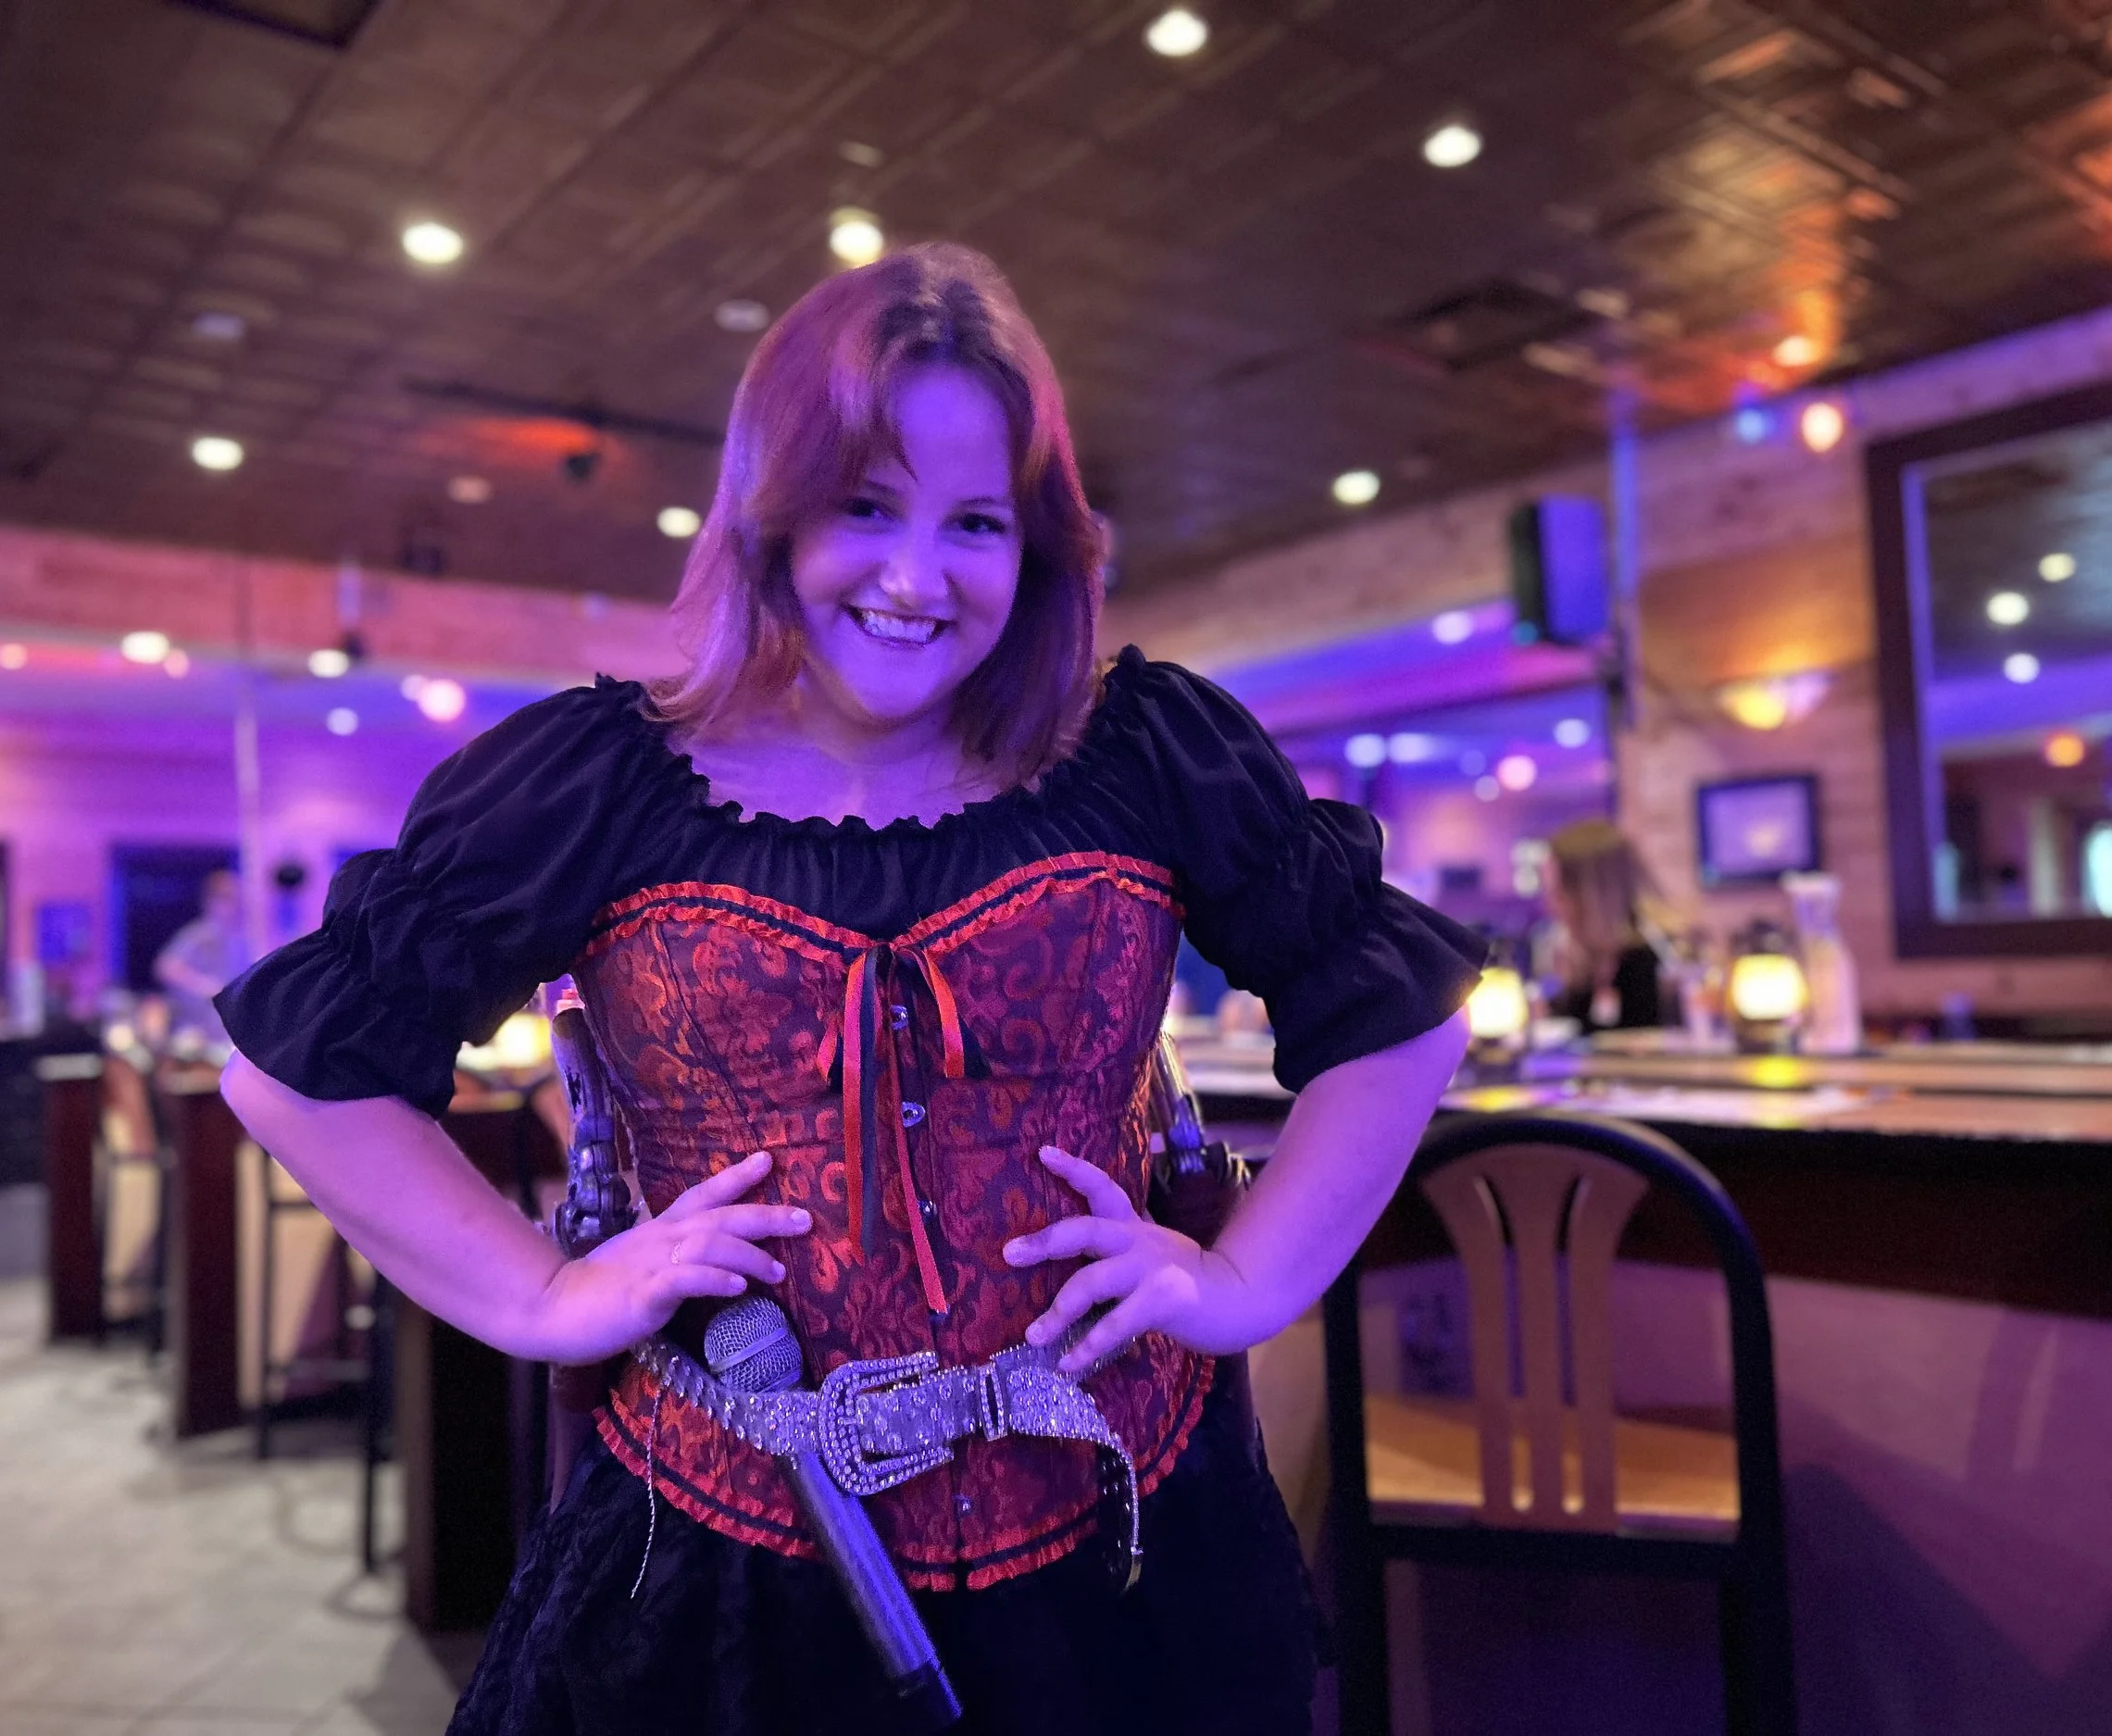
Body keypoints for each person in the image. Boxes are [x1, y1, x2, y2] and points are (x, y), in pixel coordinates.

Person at [215, 244, 1480, 1735]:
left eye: (976, 523)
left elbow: (1401, 1012)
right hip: (720, 1559)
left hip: (1126, 1550)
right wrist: (549, 1296)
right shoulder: (604, 782)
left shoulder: (1146, 754)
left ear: (1040, 544)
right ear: (771, 510)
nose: (914, 574)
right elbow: (297, 1069)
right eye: (865, 505)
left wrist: (1245, 1279)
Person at [1540, 818, 1667, 1032]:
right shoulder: (1582, 965)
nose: (1550, 906)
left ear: (1593, 897)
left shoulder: (1643, 968)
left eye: (1559, 893)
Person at [153, 869, 247, 1048]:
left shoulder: (240, 940)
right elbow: (165, 968)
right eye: (228, 898)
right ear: (211, 901)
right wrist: (205, 986)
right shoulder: (199, 934)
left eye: (237, 899)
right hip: (195, 1034)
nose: (235, 905)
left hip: (224, 1036)